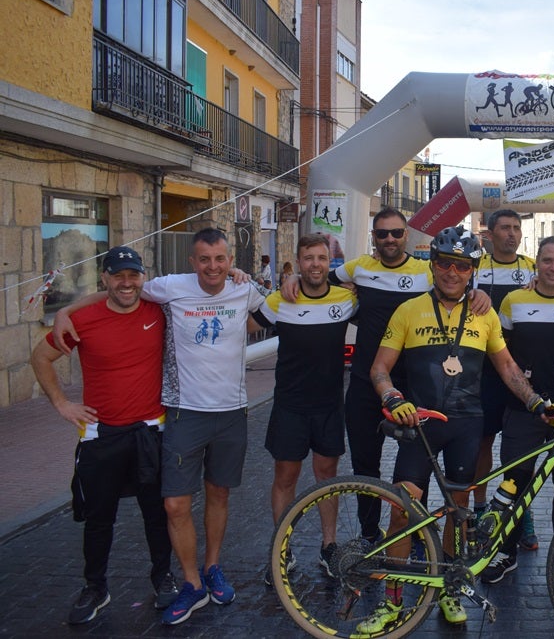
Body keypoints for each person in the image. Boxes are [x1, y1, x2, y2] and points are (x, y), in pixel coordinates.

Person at [53, 228, 266, 625]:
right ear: (192, 261)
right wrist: (68, 310)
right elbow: (123, 289)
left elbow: (272, 314)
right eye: (204, 259)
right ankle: (190, 583)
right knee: (173, 504)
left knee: (218, 495)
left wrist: (261, 278)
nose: (213, 266)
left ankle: (212, 568)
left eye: (220, 259)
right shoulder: (170, 287)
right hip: (184, 412)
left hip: (233, 411)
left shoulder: (245, 288)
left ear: (229, 258)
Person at [357, 226, 551, 633]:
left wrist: (537, 403)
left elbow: (509, 369)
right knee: (402, 511)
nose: (451, 272)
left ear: (472, 271)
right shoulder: (409, 310)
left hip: (466, 424)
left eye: (461, 266)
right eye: (444, 263)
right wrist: (392, 398)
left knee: (458, 515)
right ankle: (392, 602)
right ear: (433, 265)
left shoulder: (485, 313)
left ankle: (449, 586)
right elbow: (379, 369)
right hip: (420, 423)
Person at [282, 209, 489, 543]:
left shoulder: (428, 270)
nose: (389, 239)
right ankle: (369, 534)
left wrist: (479, 294)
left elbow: (460, 285)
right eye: (382, 234)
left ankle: (418, 533)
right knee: (366, 465)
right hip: (370, 383)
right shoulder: (359, 267)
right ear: (374, 237)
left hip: (418, 387)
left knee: (420, 469)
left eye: (396, 233)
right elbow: (319, 281)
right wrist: (292, 278)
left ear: (406, 235)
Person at [30, 246, 177, 625]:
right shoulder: (83, 319)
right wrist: (62, 404)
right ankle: (95, 587)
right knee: (99, 518)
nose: (126, 283)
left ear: (142, 278)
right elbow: (40, 358)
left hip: (149, 431)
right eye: (118, 276)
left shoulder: (158, 311)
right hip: (101, 434)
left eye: (133, 275)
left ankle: (163, 578)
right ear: (105, 279)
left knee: (156, 514)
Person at [479, 236, 554, 584]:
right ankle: (505, 550)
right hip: (524, 407)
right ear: (536, 264)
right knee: (514, 481)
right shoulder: (514, 300)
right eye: (547, 261)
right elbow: (503, 355)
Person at [254, 235, 357, 584]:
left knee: (327, 477)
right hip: (290, 405)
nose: (315, 264)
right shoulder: (279, 300)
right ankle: (283, 549)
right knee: (286, 477)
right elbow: (244, 323)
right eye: (308, 258)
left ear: (331, 263)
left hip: (329, 403)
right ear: (298, 263)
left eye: (321, 258)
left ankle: (329, 548)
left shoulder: (347, 298)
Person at [473, 209, 540, 547]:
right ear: (490, 234)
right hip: (482, 372)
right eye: (505, 228)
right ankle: (481, 509)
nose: (512, 234)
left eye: (517, 228)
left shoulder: (532, 267)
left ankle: (521, 515)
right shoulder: (474, 267)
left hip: (520, 372)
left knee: (520, 453)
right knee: (482, 445)